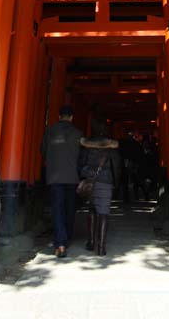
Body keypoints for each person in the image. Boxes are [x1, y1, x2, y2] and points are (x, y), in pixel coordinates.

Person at [40, 105, 83, 258]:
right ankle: (67, 237)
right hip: (72, 177)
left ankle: (60, 243)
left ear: (59, 116)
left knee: (57, 208)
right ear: (71, 117)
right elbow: (82, 157)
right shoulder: (78, 133)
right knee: (70, 208)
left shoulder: (49, 131)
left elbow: (43, 151)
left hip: (54, 176)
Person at [78, 118, 121, 256]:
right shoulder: (111, 148)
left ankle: (91, 241)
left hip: (90, 181)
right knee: (103, 212)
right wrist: (116, 183)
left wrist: (84, 176)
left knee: (91, 209)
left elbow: (80, 164)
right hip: (106, 181)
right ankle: (101, 247)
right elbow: (117, 166)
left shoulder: (86, 146)